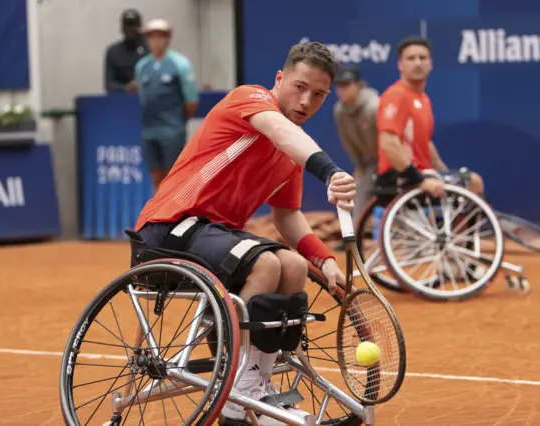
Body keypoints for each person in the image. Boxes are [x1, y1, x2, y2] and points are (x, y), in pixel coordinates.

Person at [133, 41, 355, 424]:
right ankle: (236, 389)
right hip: (167, 227)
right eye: (299, 87)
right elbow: (280, 131)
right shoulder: (249, 99)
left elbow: (287, 217)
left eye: (318, 95)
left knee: (294, 267)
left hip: (215, 238)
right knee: (266, 265)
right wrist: (330, 171)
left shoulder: (290, 156)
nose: (306, 101)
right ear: (279, 79)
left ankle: (256, 386)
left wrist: (324, 260)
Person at [376, 35, 484, 196]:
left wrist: (444, 172)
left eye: (422, 58)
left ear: (430, 64)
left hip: (424, 173)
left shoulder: (424, 100)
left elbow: (426, 144)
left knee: (463, 186)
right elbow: (388, 143)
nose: (417, 63)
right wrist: (420, 180)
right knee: (474, 182)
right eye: (411, 58)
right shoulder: (396, 95)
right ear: (400, 65)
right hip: (401, 176)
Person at [134, 18, 199, 192]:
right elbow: (143, 97)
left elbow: (191, 101)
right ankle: (158, 215)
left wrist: (176, 122)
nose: (154, 41)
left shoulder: (180, 64)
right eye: (150, 37)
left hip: (172, 129)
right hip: (150, 129)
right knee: (156, 174)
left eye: (159, 37)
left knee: (173, 175)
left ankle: (175, 216)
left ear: (167, 38)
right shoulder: (142, 66)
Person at [332, 65, 379, 249]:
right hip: (368, 162)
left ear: (359, 86)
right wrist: (359, 166)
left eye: (347, 85)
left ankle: (410, 241)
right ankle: (354, 239)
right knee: (356, 189)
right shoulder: (339, 111)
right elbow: (348, 141)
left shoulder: (374, 106)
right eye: (339, 86)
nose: (343, 90)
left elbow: (389, 140)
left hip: (389, 160)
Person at [104, 9, 148, 94]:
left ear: (140, 27)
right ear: (122, 28)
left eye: (133, 25)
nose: (130, 29)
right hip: (123, 100)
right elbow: (109, 84)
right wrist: (126, 88)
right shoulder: (113, 52)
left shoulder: (149, 50)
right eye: (127, 25)